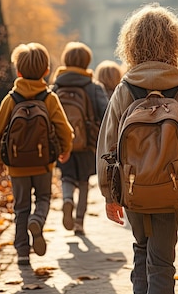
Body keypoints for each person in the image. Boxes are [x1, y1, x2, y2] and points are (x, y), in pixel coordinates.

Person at [96, 3, 178, 294]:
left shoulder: (125, 89)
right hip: (172, 187)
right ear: (175, 44)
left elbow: (107, 143)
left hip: (132, 184)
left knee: (140, 251)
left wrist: (109, 193)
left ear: (131, 45)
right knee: (162, 262)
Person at [0, 42, 74, 266]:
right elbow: (64, 128)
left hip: (16, 165)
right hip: (44, 162)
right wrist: (66, 149)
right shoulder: (49, 98)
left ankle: (22, 253)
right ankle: (37, 221)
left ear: (17, 71)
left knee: (20, 207)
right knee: (43, 198)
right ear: (46, 71)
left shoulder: (11, 99)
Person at [51, 41, 109, 236]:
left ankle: (67, 199)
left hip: (62, 143)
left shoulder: (56, 86)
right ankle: (79, 223)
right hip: (87, 144)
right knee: (83, 182)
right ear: (87, 62)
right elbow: (106, 113)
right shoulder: (94, 87)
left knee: (66, 176)